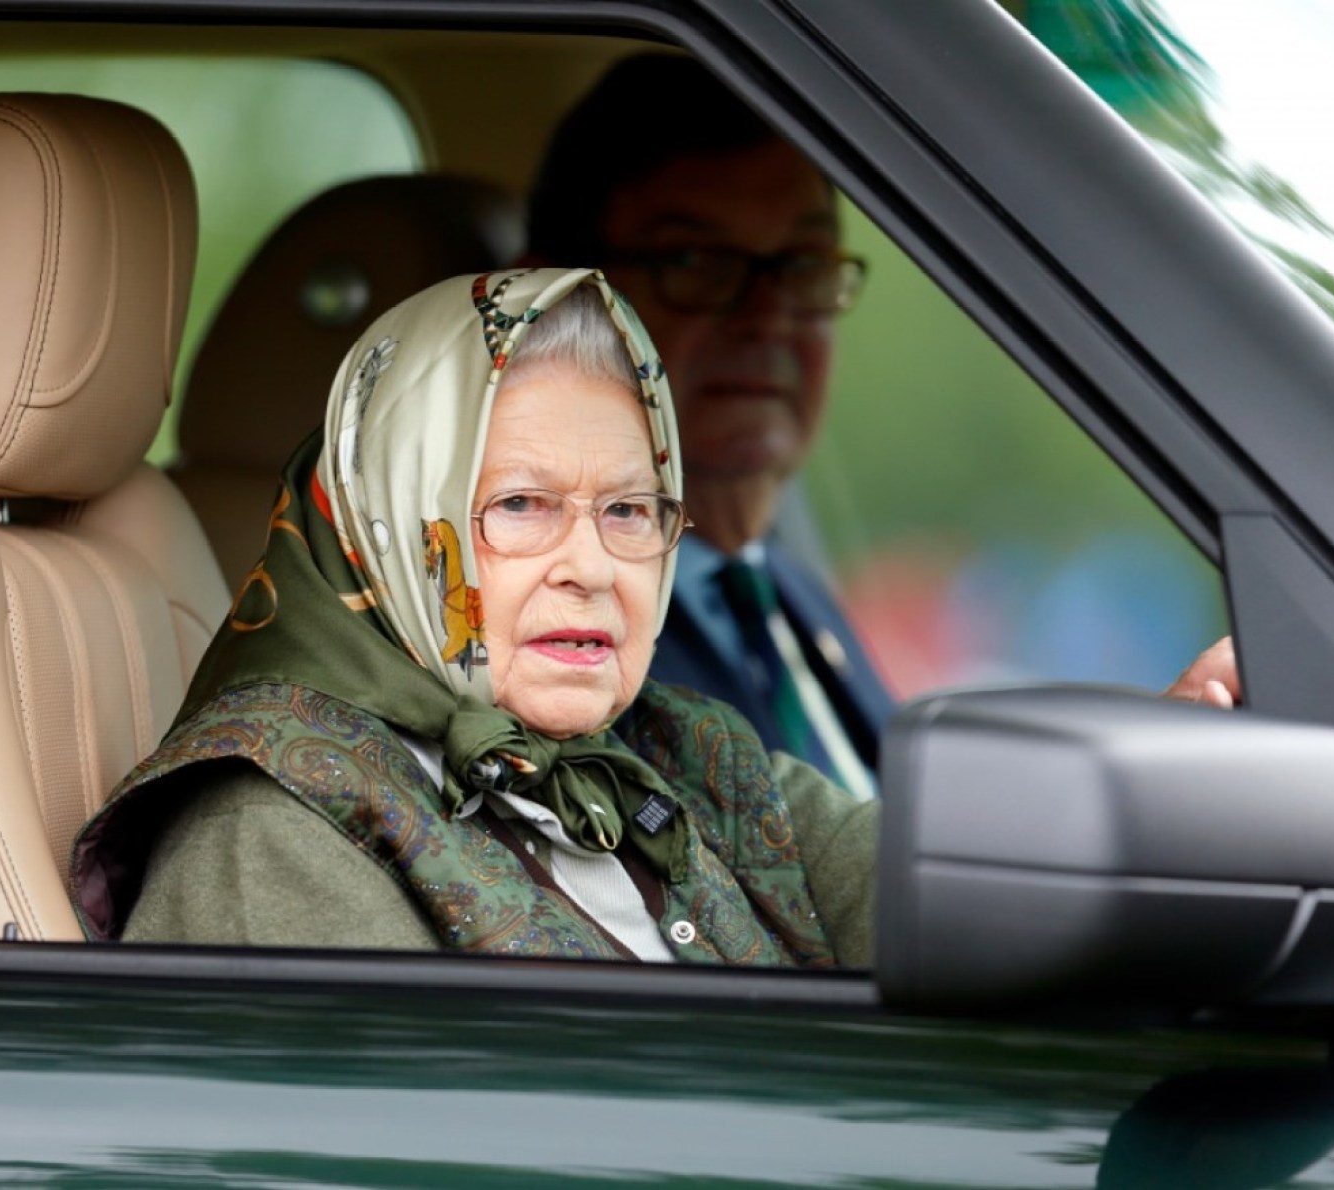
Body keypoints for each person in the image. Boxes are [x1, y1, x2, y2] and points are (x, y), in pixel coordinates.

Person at [72, 268, 878, 967]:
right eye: (521, 505)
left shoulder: (688, 758)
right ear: (387, 525)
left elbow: (940, 880)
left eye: (629, 510)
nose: (593, 569)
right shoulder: (273, 838)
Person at [524, 55, 1237, 794]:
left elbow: (875, 847)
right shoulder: (559, 640)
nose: (768, 316)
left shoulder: (772, 583)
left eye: (801, 263)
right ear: (557, 305)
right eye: (694, 259)